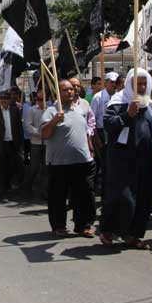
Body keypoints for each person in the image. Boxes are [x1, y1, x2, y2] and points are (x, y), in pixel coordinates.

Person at [100, 69, 152, 249]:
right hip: (122, 160)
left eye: (143, 84)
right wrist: (127, 115)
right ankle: (108, 230)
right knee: (123, 198)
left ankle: (133, 234)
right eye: (136, 84)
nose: (140, 87)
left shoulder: (149, 106)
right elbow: (108, 125)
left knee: (144, 198)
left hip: (144, 158)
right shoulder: (117, 102)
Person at [41, 79, 97, 237]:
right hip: (59, 164)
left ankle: (82, 225)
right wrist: (54, 121)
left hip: (82, 162)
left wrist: (90, 150)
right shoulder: (52, 111)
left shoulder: (81, 109)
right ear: (58, 92)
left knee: (83, 195)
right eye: (65, 90)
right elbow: (44, 134)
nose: (70, 92)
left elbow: (86, 132)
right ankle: (59, 226)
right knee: (58, 197)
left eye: (71, 89)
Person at [0, 90, 25, 198]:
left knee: (13, 166)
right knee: (0, 168)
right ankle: (2, 190)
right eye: (2, 98)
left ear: (9, 100)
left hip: (13, 144)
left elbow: (19, 128)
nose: (4, 100)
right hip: (0, 144)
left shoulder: (15, 110)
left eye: (6, 98)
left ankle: (10, 187)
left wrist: (21, 144)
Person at [90, 72, 120, 194]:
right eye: (111, 82)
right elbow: (92, 119)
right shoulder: (98, 97)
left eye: (115, 82)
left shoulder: (118, 96)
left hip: (114, 132)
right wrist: (96, 138)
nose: (113, 85)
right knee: (101, 162)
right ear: (106, 82)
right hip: (101, 133)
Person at [22, 90, 47, 195]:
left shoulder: (50, 110)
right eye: (39, 100)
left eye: (43, 100)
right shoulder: (32, 110)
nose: (40, 102)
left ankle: (45, 191)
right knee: (34, 166)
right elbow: (28, 125)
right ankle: (27, 186)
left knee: (46, 167)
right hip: (36, 142)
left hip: (47, 143)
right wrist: (39, 132)